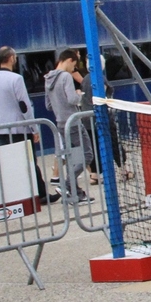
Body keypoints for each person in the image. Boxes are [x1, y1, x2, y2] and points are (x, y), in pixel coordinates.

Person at [0, 46, 54, 204]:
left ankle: (15, 195)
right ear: (11, 58)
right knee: (29, 162)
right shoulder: (16, 79)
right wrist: (34, 128)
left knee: (8, 163)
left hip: (1, 127)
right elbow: (24, 106)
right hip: (19, 127)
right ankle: (41, 194)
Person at [44, 50, 91, 202]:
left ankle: (76, 193)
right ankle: (66, 184)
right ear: (69, 60)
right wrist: (79, 94)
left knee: (75, 157)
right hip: (73, 122)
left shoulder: (48, 78)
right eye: (75, 65)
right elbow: (72, 99)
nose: (74, 69)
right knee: (87, 155)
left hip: (61, 123)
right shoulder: (65, 77)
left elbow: (48, 105)